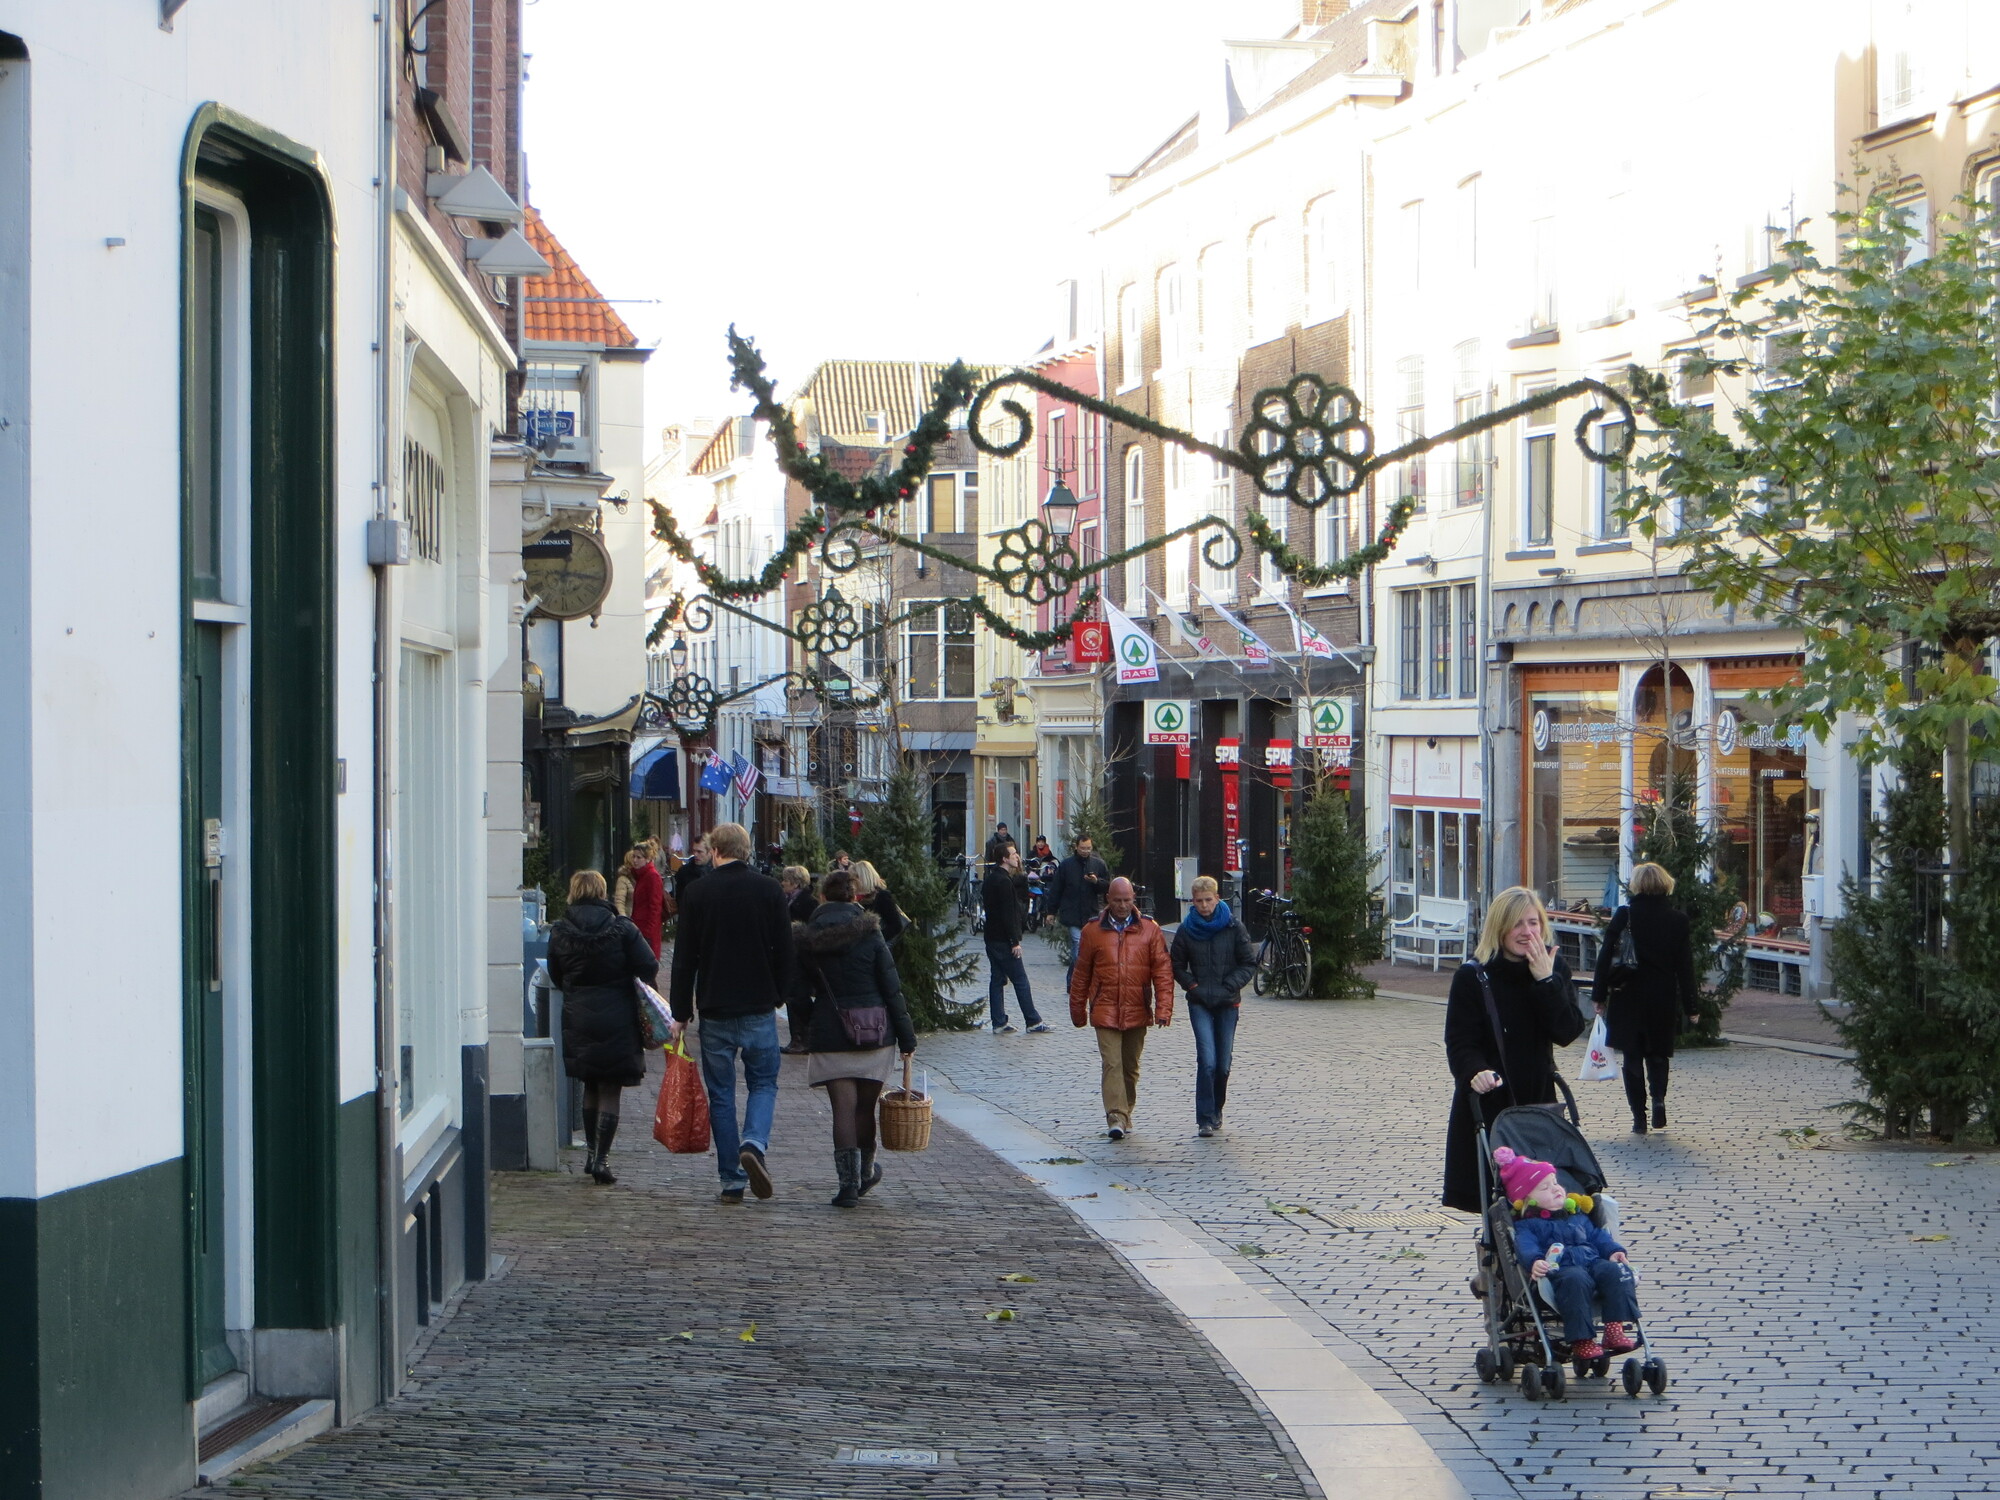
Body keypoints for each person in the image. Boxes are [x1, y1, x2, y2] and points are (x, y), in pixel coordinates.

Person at [668, 822, 794, 1203]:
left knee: (721, 1094)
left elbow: (684, 957)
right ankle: (753, 1142)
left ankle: (731, 1179)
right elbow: (785, 949)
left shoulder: (698, 892)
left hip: (715, 1007)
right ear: (746, 850)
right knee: (764, 1083)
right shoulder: (769, 890)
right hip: (758, 1004)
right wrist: (780, 994)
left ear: (715, 851)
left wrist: (680, 1012)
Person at [1441, 886, 1587, 1214]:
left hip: (1537, 1101)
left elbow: (1567, 1031)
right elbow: (1461, 1041)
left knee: (1544, 1200)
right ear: (1500, 928)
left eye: (1533, 923)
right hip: (1491, 1101)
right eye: (1517, 924)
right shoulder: (1473, 976)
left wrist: (1546, 982)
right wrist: (1474, 1071)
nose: (1527, 932)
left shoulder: (1554, 968)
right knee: (1497, 1204)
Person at [794, 869, 919, 1207]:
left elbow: (797, 992)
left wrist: (809, 1024)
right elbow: (891, 987)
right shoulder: (871, 933)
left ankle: (847, 1185)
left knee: (842, 1111)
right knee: (865, 1110)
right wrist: (907, 1038)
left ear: (822, 897)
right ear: (855, 897)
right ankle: (865, 1173)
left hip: (831, 1031)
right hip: (875, 1031)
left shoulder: (807, 938)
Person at [545, 869, 659, 1185]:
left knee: (591, 1084)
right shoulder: (622, 928)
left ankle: (590, 1153)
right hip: (618, 1014)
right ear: (602, 892)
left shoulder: (560, 932)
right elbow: (649, 965)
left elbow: (555, 974)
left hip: (579, 1016)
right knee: (610, 1087)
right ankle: (601, 1160)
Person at [1493, 1147, 1642, 1361]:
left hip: (1592, 1261)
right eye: (1545, 1187)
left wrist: (1613, 1251)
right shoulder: (1528, 1226)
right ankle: (1582, 1340)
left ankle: (1614, 1328)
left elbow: (1598, 1237)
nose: (1556, 1189)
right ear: (1527, 1200)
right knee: (1575, 1279)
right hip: (1561, 1270)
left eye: (1555, 1183)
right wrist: (1535, 1261)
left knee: (1616, 1271)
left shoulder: (1578, 1216)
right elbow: (1526, 1247)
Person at [1592, 861, 1700, 1134]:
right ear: (1665, 884)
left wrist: (1599, 995)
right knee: (1658, 1054)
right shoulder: (1677, 920)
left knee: (1632, 1057)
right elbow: (1685, 966)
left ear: (1637, 885)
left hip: (1627, 995)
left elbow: (1605, 957)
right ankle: (1659, 1100)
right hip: (1661, 997)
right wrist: (1691, 1006)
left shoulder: (1624, 915)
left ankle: (1638, 1117)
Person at [1069, 876, 1174, 1141]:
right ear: (1108, 899)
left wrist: (1163, 1009)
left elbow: (1162, 972)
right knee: (1112, 1064)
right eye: (1117, 900)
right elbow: (1081, 974)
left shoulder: (1149, 930)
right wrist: (1078, 1010)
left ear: (1133, 899)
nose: (1123, 905)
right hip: (1105, 1008)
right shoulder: (1092, 931)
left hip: (1137, 1007)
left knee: (1130, 1067)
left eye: (1127, 900)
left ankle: (1125, 1111)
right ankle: (1115, 1116)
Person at [1169, 876, 1257, 1138]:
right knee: (1207, 1061)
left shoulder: (1233, 926)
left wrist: (1230, 984)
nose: (1204, 906)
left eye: (1208, 900)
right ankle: (1205, 1118)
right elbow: (1176, 965)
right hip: (1200, 1002)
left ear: (1218, 898)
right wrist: (1192, 986)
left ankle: (1217, 1108)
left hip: (1228, 1001)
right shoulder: (1186, 930)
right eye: (1199, 901)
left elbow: (1248, 963)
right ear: (1192, 902)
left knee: (1223, 1064)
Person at [981, 844, 1048, 1034]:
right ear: (1004, 858)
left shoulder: (990, 879)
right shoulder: (1004, 882)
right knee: (1020, 979)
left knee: (997, 979)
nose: (1017, 857)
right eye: (1013, 854)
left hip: (991, 936)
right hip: (1004, 939)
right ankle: (1033, 1021)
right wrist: (1015, 941)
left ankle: (999, 1022)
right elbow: (1008, 914)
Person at [1045, 834, 1111, 971]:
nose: (1085, 851)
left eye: (1088, 848)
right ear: (1076, 847)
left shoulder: (1098, 864)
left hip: (1091, 913)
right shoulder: (1066, 865)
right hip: (1072, 912)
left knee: (1088, 946)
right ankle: (1080, 973)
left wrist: (1096, 882)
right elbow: (1056, 889)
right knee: (1077, 943)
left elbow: (1107, 887)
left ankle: (1074, 977)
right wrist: (1051, 912)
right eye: (1083, 848)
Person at [778, 866, 819, 1055]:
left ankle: (803, 1039)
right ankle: (798, 1038)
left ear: (795, 883)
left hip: (801, 958)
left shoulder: (808, 902)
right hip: (792, 956)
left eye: (785, 880)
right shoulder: (789, 900)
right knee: (793, 997)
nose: (782, 883)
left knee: (798, 997)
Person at [613, 844, 667, 960]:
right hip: (639, 926)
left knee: (645, 963)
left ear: (647, 859)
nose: (635, 860)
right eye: (634, 856)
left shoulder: (652, 876)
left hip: (646, 930)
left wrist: (648, 933)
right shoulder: (641, 875)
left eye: (639, 857)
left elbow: (655, 907)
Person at [850, 860, 907, 946]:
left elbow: (896, 926)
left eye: (855, 878)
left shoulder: (881, 896)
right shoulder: (854, 897)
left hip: (876, 948)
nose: (852, 883)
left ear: (864, 878)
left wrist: (874, 941)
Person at [670, 835, 708, 907]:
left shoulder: (717, 871)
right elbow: (679, 897)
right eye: (694, 851)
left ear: (709, 852)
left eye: (699, 852)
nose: (695, 854)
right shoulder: (684, 871)